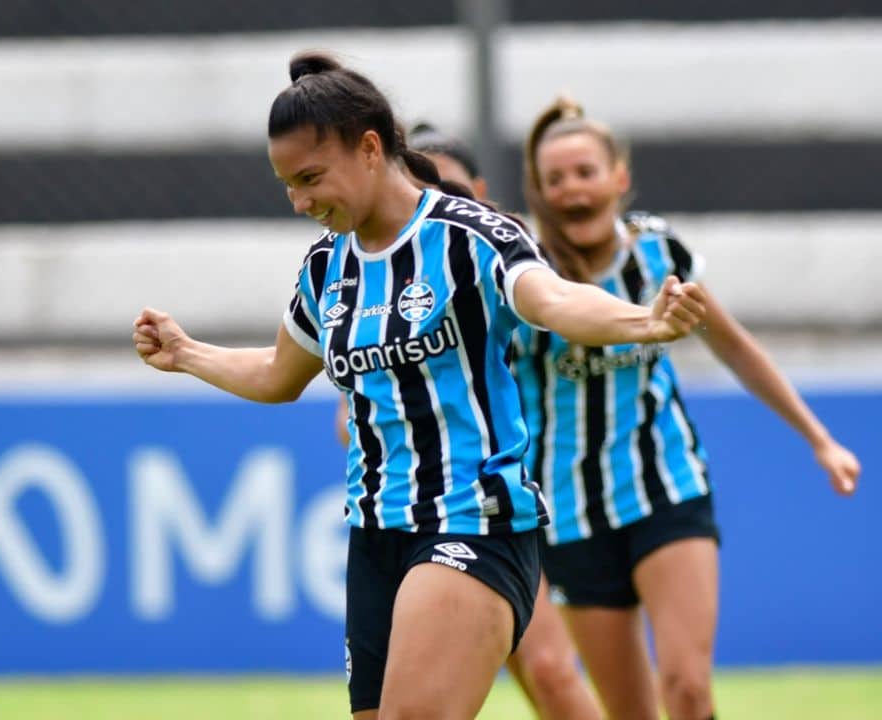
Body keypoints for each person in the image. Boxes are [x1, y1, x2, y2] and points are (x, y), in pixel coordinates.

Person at [132, 52, 705, 719]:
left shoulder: (469, 237)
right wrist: (189, 353)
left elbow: (553, 301)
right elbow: (277, 376)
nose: (299, 202)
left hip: (472, 521)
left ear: (369, 149)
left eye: (311, 178)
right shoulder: (325, 269)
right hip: (374, 535)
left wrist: (645, 321)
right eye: (287, 185)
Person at [514, 97, 861, 720]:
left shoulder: (659, 255)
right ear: (538, 194)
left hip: (666, 486)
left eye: (585, 172)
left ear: (619, 177)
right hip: (569, 513)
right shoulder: (526, 278)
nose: (572, 190)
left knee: (688, 690)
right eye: (555, 179)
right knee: (632, 712)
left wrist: (818, 437)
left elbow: (732, 344)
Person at [332, 121, 602, 720]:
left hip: (520, 499)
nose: (438, 203)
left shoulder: (504, 261)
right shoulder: (380, 285)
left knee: (553, 672)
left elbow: (569, 331)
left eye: (452, 187)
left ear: (478, 188)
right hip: (432, 508)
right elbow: (350, 415)